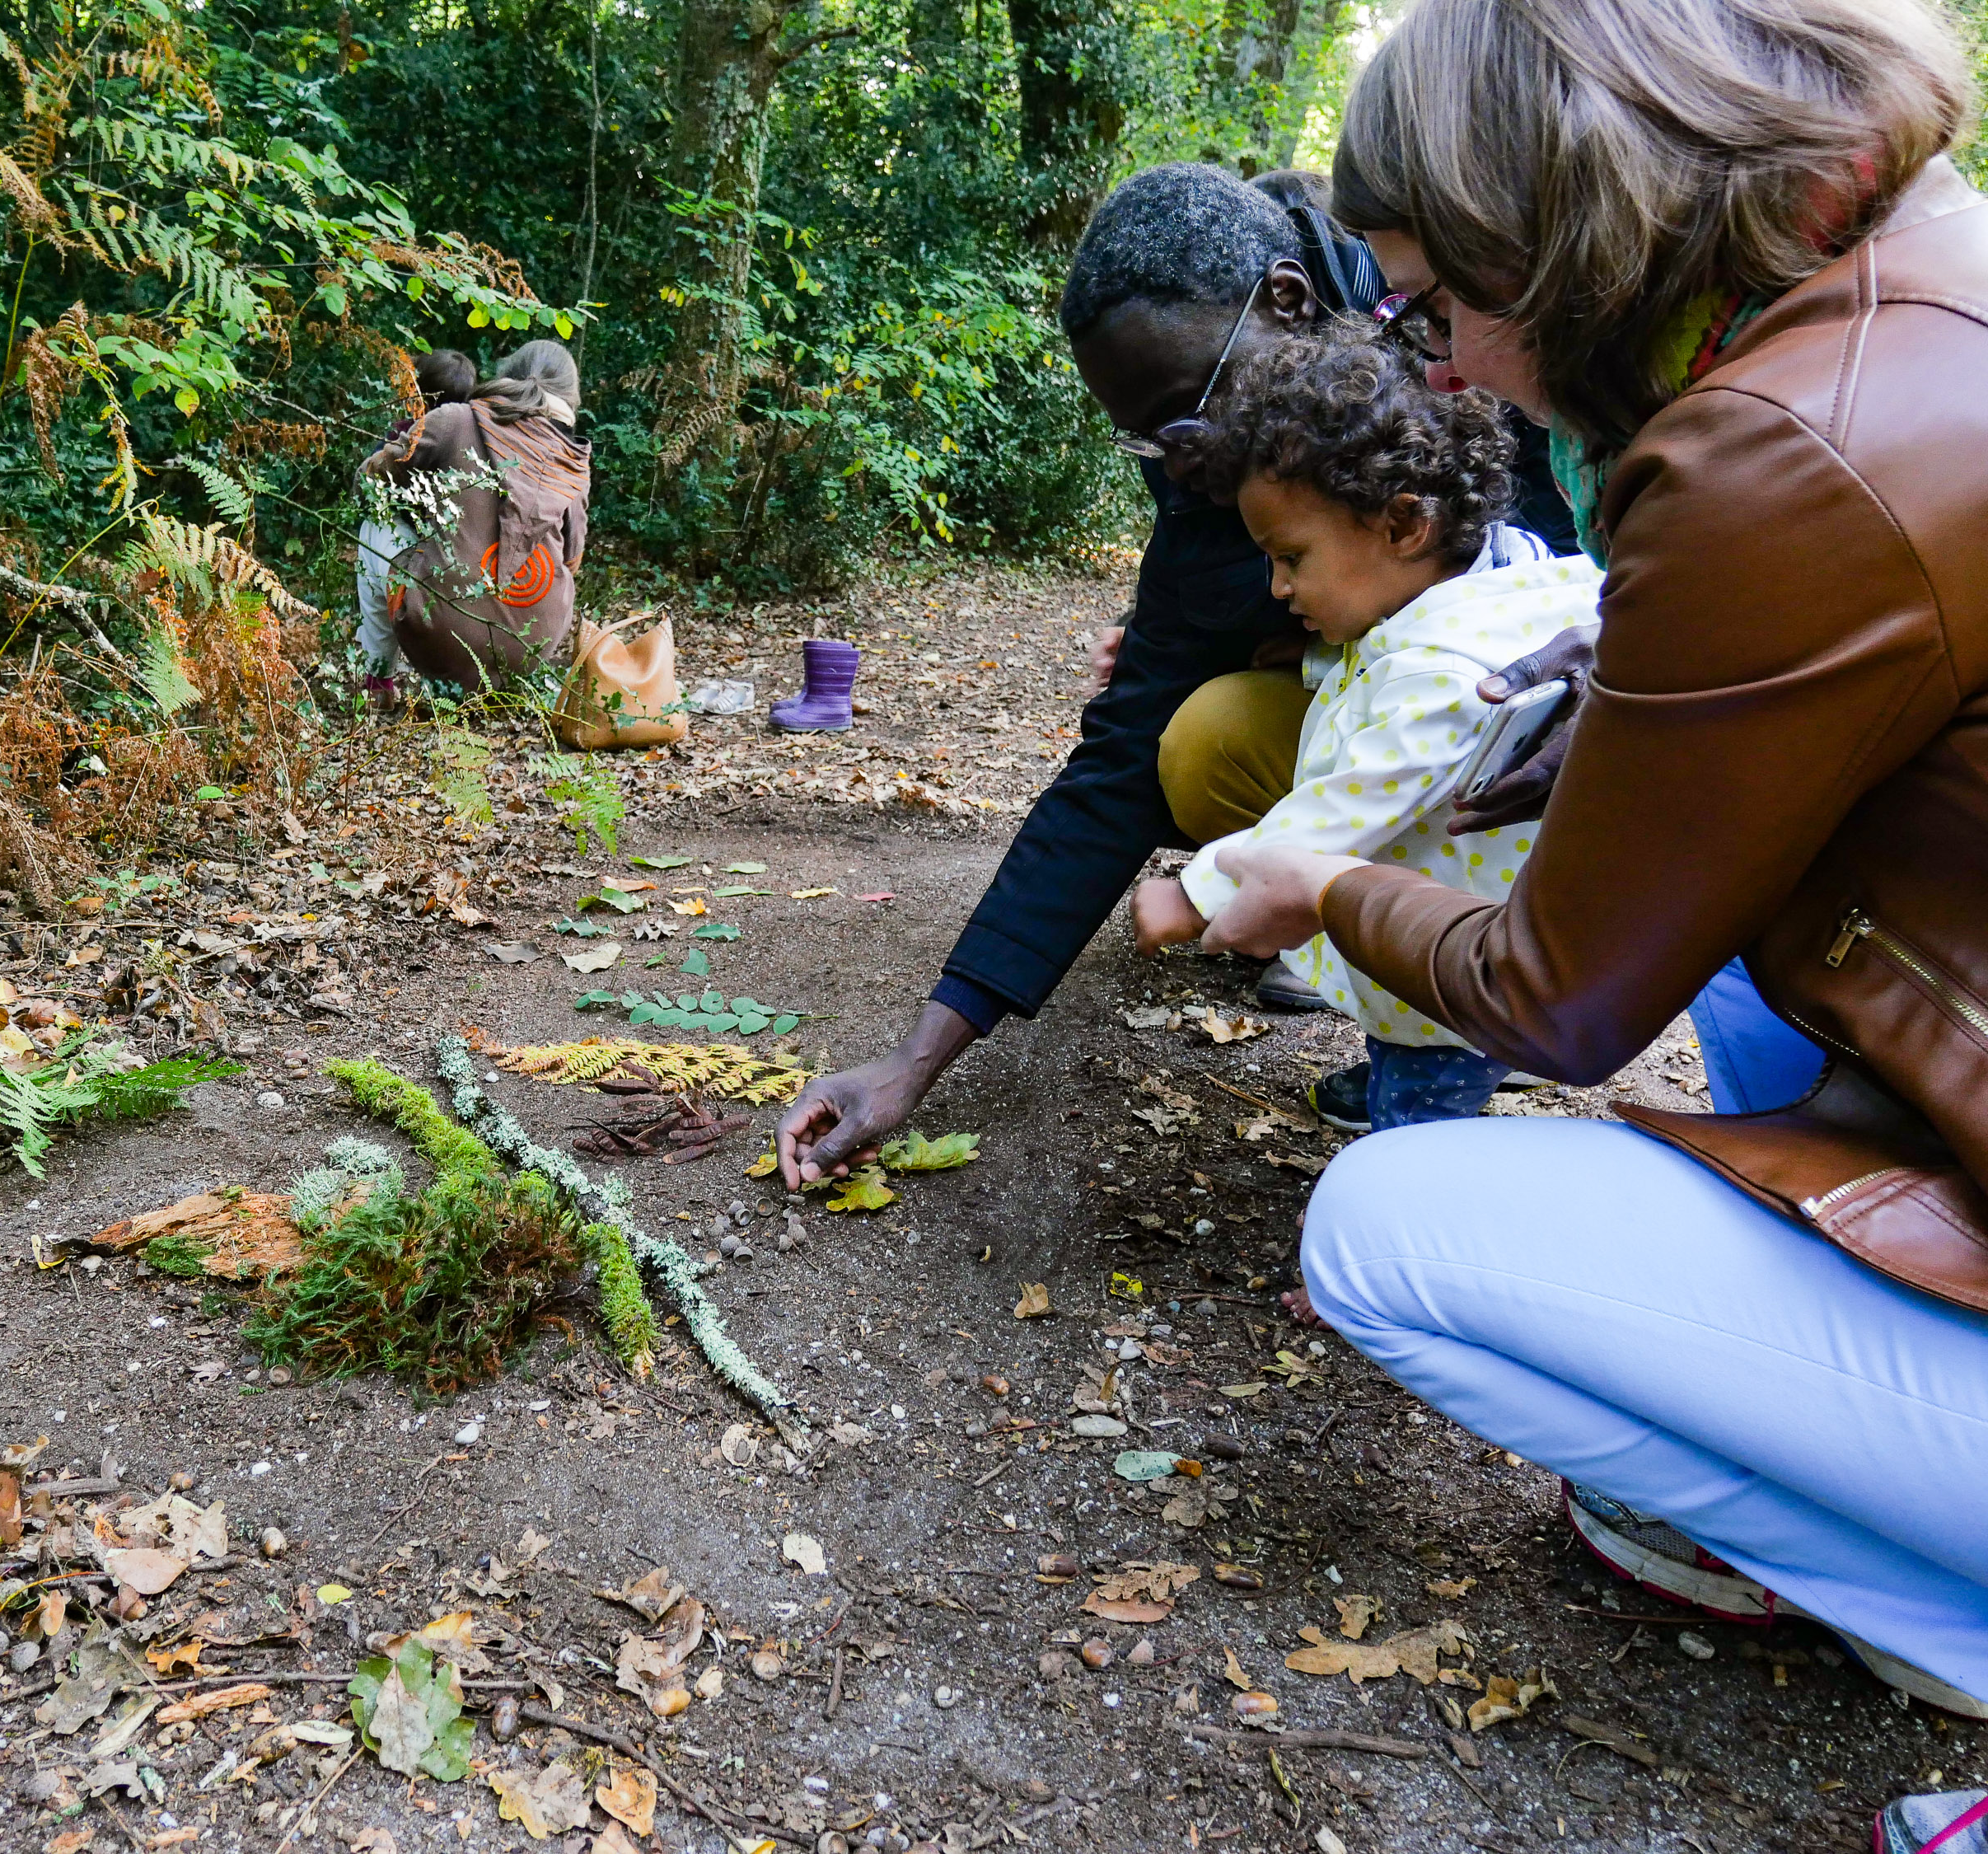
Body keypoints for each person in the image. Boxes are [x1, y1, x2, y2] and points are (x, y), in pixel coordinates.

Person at [1195, 0, 1988, 1735]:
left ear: (1553, 227)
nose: (1453, 366)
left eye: (1437, 301)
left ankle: (1929, 1595)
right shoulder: (1934, 266)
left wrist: (1317, 885)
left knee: (1389, 1237)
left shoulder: (1775, 444)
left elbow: (1556, 1003)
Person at [775, 164, 1574, 1192]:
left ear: (1287, 301)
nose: (1176, 465)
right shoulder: (1204, 474)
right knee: (1200, 734)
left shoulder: (1476, 326)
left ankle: (1468, 986)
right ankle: (1383, 974)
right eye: (1146, 441)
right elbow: (1114, 765)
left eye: (1184, 425)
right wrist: (916, 1059)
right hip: (1433, 755)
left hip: (1590, 758)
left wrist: (1630, 660)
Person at [1134, 321, 1602, 1129]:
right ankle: (1410, 1072)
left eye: (1292, 558)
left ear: (1402, 525)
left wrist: (1200, 890)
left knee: (1418, 1111)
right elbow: (1384, 675)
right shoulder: (1507, 571)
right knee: (1413, 1039)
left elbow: (1342, 811)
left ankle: (1409, 1167)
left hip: (1447, 968)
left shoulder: (1439, 673)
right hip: (1487, 915)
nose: (1278, 585)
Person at [359, 339, 591, 688]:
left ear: (507, 374)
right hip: (531, 651)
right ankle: (506, 681)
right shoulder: (572, 458)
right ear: (570, 395)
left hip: (443, 641)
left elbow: (371, 480)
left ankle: (378, 683)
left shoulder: (455, 420)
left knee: (375, 525)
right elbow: (572, 561)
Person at [356, 348, 477, 701]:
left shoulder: (406, 437)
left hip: (420, 557)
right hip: (469, 564)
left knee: (372, 533)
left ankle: (379, 679)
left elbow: (367, 487)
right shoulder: (482, 442)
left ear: (418, 395)